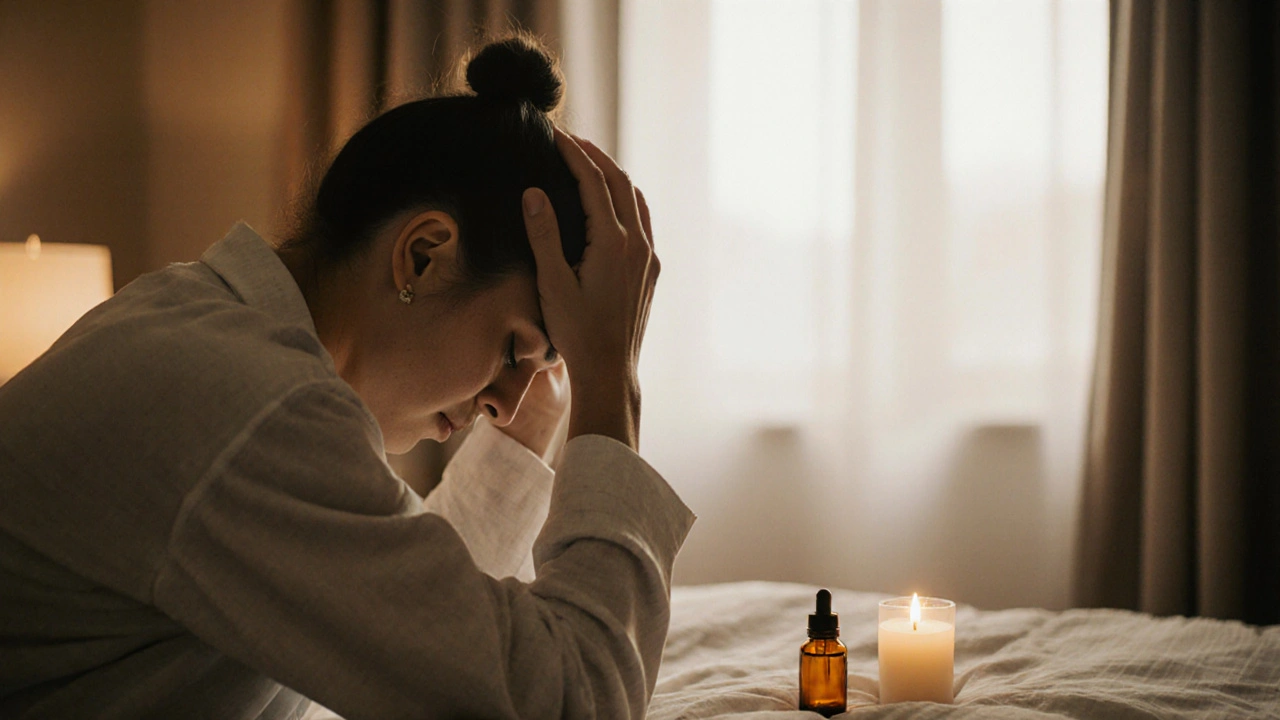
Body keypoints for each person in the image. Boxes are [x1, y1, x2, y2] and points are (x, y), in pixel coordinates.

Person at [0, 35, 693, 719]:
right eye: (513, 350)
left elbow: (410, 625)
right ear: (423, 256)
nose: (506, 408)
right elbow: (567, 700)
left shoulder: (204, 329)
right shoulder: (255, 406)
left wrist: (538, 409)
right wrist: (610, 382)